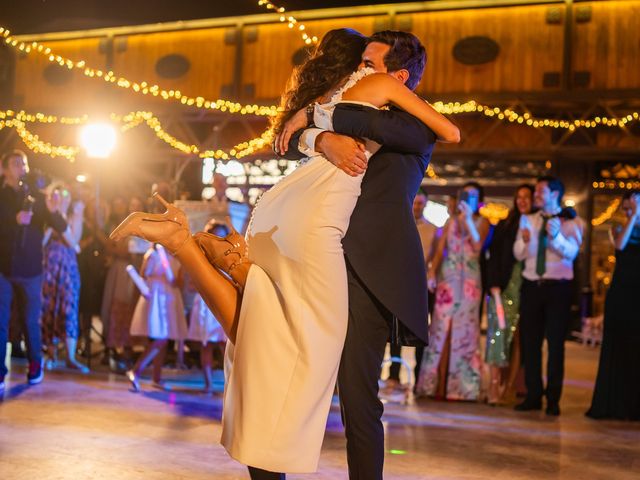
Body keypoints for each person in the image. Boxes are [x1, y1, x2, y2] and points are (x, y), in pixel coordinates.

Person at [111, 28, 458, 480]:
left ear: (400, 74)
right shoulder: (356, 99)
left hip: (368, 274)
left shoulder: (413, 125)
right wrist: (315, 135)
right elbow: (296, 135)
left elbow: (388, 126)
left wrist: (316, 120)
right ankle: (185, 246)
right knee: (270, 355)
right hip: (312, 241)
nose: (359, 71)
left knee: (356, 398)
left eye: (370, 64)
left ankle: (187, 246)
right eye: (360, 62)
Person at [513, 176, 583, 416]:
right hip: (532, 286)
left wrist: (556, 237)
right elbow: (520, 255)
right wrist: (523, 242)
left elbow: (572, 254)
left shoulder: (572, 223)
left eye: (541, 191)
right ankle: (533, 395)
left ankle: (553, 399)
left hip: (558, 289)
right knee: (530, 344)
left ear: (555, 194)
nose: (537, 195)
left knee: (555, 345)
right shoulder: (528, 219)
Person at [415, 182, 490, 401]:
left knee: (465, 333)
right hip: (447, 280)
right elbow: (439, 250)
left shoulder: (482, 222)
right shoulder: (449, 222)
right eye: (465, 195)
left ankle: (463, 388)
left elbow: (477, 247)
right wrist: (431, 273)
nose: (468, 199)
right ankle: (433, 385)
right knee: (439, 331)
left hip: (470, 284)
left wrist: (467, 220)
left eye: (473, 196)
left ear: (479, 201)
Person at [0, 150, 68, 389]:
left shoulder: (38, 198)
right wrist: (13, 221)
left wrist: (52, 210)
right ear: (4, 169)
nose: (21, 168)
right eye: (15, 163)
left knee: (31, 321)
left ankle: (35, 365)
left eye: (23, 164)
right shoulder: (3, 196)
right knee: (1, 321)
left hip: (31, 270)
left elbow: (61, 226)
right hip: (4, 267)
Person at [587, 191, 640, 420]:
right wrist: (633, 217)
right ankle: (613, 404)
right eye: (627, 208)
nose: (630, 211)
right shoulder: (618, 229)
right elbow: (620, 247)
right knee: (617, 346)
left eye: (634, 207)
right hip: (620, 295)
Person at [383, 191, 439, 393]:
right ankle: (393, 374)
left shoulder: (433, 230)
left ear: (426, 204)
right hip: (396, 282)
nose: (417, 206)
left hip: (420, 284)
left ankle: (417, 379)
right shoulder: (398, 224)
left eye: (421, 203)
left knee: (419, 331)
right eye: (415, 202)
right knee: (393, 330)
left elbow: (436, 259)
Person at [485, 184, 534, 405]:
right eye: (519, 197)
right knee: (499, 334)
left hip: (529, 287)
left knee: (520, 339)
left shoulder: (538, 222)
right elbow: (493, 255)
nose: (522, 201)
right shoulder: (506, 224)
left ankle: (513, 387)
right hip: (505, 286)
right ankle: (495, 386)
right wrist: (493, 284)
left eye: (527, 197)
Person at [126, 244, 187, 391]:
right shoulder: (153, 254)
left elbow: (180, 280)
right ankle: (136, 370)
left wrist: (176, 280)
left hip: (170, 296)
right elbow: (143, 275)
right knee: (160, 337)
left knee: (164, 339)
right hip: (157, 295)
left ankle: (156, 377)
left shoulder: (177, 255)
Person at [41, 184, 88, 373]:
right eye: (58, 194)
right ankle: (50, 353)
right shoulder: (45, 220)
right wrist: (51, 225)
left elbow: (73, 240)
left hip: (67, 269)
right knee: (48, 308)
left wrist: (62, 221)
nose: (62, 198)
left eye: (65, 195)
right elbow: (40, 243)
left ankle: (70, 356)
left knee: (68, 308)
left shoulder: (72, 217)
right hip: (49, 268)